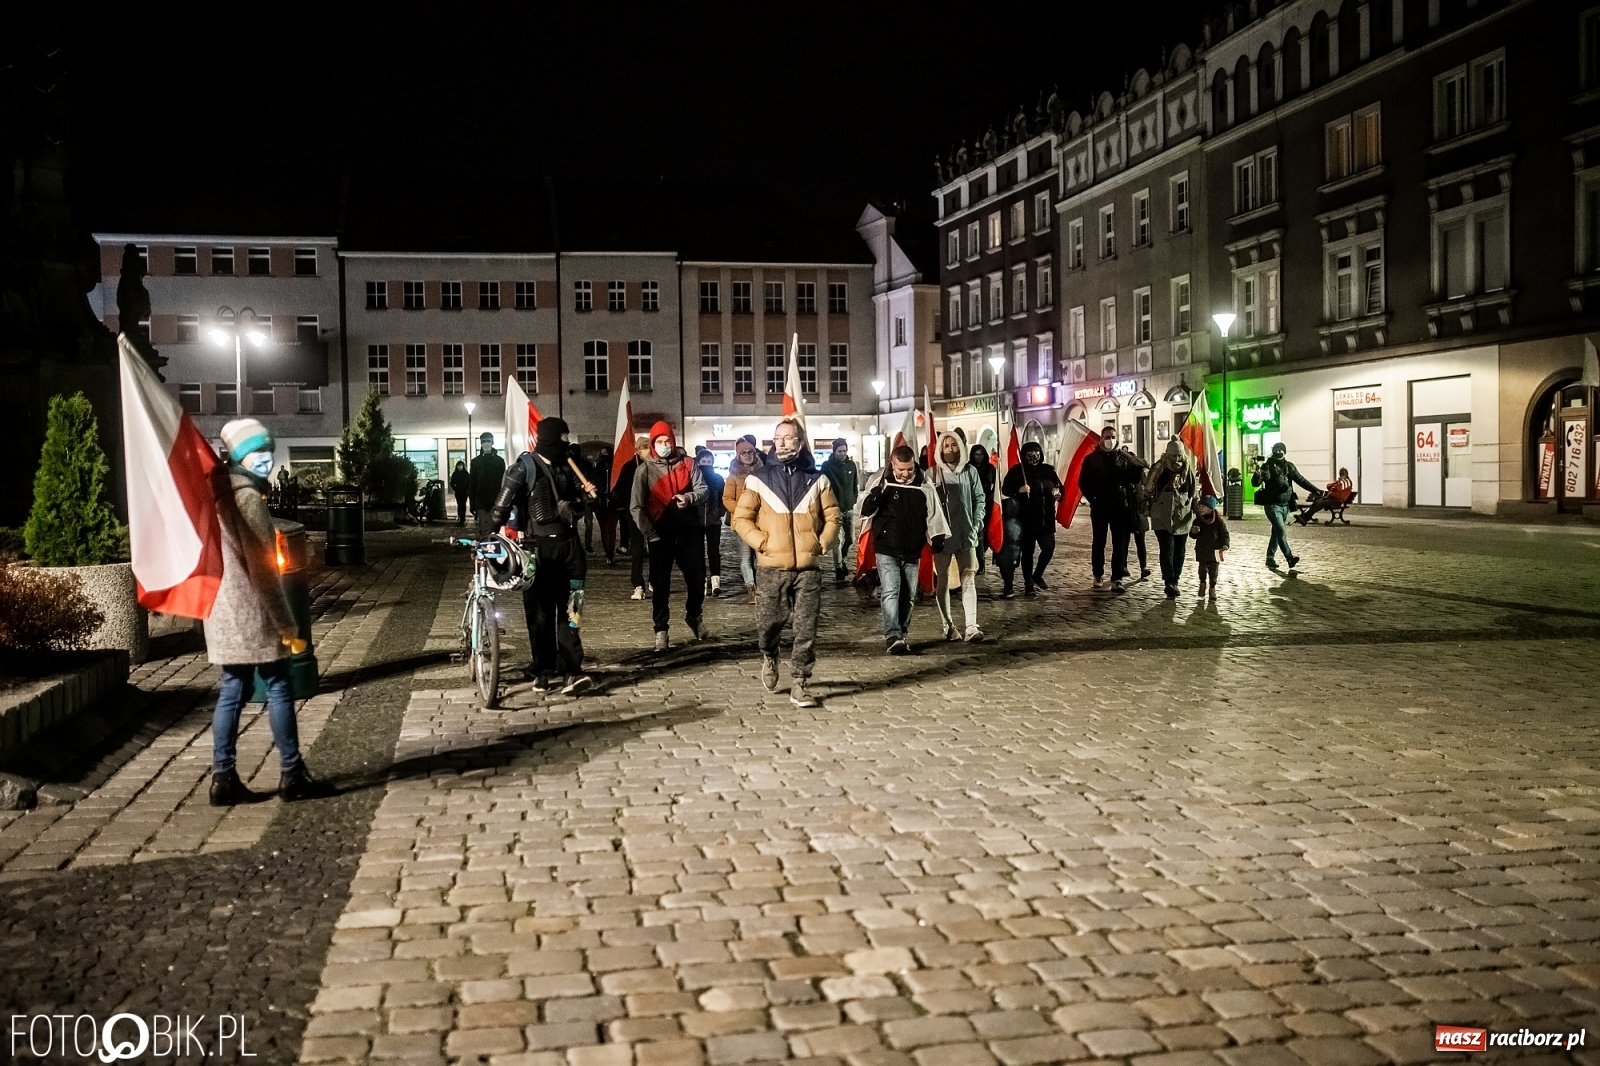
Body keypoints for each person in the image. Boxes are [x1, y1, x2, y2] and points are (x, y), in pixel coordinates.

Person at [207, 419, 329, 805]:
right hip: (253, 612)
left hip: (222, 611)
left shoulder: (215, 494)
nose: (266, 461)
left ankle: (222, 779)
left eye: (269, 453)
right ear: (240, 457)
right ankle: (292, 774)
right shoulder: (247, 500)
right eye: (258, 453)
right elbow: (263, 570)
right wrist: (287, 624)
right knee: (278, 686)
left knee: (231, 690)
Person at [731, 417, 841, 708]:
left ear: (800, 441)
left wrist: (823, 541)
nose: (781, 442)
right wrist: (761, 542)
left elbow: (833, 516)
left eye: (787, 437)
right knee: (768, 624)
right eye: (777, 437)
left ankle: (801, 682)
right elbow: (740, 518)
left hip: (808, 568)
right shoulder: (759, 478)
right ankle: (769, 655)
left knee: (806, 627)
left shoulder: (818, 480)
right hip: (771, 567)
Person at [488, 417, 595, 695]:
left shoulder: (569, 466)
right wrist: (489, 536)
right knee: (540, 615)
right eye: (562, 437)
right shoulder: (525, 466)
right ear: (548, 437)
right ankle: (543, 670)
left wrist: (586, 498)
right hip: (538, 551)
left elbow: (581, 502)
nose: (566, 442)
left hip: (571, 551)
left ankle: (573, 670)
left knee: (572, 614)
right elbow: (501, 505)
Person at [860, 445, 949, 654]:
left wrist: (937, 537)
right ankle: (892, 634)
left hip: (912, 548)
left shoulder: (923, 484)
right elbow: (864, 511)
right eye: (901, 470)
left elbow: (933, 512)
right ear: (893, 464)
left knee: (908, 594)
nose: (906, 473)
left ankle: (902, 631)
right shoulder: (881, 482)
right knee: (891, 590)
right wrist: (873, 499)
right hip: (886, 546)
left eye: (909, 469)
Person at [631, 421, 708, 651]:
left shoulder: (688, 464)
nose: (664, 445)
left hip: (688, 533)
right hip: (660, 537)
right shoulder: (643, 470)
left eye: (667, 441)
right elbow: (636, 506)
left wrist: (689, 498)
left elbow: (703, 490)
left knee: (697, 579)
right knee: (660, 585)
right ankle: (661, 630)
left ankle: (694, 615)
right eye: (659, 442)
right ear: (653, 444)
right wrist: (650, 534)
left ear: (673, 442)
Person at [931, 433, 985, 642]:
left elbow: (979, 498)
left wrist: (977, 521)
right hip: (942, 537)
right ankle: (949, 626)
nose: (951, 449)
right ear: (940, 449)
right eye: (946, 445)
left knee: (969, 578)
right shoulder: (932, 474)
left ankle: (971, 626)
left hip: (967, 534)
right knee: (943, 581)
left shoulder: (970, 471)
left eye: (954, 445)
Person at [1078, 426, 1143, 591]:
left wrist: (1137, 467)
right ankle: (1098, 574)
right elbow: (1083, 482)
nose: (1110, 439)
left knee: (1119, 544)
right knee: (1099, 542)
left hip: (1120, 507)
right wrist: (1093, 498)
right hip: (1100, 507)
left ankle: (1117, 578)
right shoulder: (1091, 459)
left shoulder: (1123, 458)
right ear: (1101, 439)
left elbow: (1133, 480)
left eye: (1113, 436)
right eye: (1107, 436)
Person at [1000, 440, 1063, 596]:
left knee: (1048, 548)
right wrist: (1019, 489)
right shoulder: (1017, 471)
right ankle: (1029, 583)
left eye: (1036, 452)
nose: (1034, 456)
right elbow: (1006, 489)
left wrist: (1059, 494)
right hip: (1026, 518)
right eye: (1030, 453)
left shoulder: (1048, 470)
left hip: (1046, 518)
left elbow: (1059, 486)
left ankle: (1038, 574)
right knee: (1028, 552)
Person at [1251, 442, 1319, 570]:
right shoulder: (1268, 466)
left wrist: (1316, 490)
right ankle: (1289, 558)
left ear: (1284, 452)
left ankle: (1270, 558)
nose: (1277, 452)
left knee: (1276, 532)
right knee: (1281, 531)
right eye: (1275, 450)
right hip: (1272, 505)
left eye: (1280, 450)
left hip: (1285, 505)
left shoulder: (1289, 466)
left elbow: (1301, 480)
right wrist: (1257, 475)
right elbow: (1256, 483)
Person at [1146, 439, 1199, 598]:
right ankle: (1169, 581)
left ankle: (1175, 578)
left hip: (1182, 513)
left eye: (1178, 455)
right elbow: (1148, 488)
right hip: (1162, 514)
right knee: (1167, 548)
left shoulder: (1187, 467)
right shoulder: (1159, 467)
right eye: (1173, 455)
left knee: (1180, 550)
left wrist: (1196, 512)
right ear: (1167, 453)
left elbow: (1193, 491)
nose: (1176, 459)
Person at [723, 435, 765, 602]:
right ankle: (751, 586)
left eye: (750, 452)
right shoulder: (733, 476)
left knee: (761, 554)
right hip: (742, 522)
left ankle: (762, 585)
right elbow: (727, 498)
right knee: (746, 556)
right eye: (744, 453)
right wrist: (741, 512)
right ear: (738, 456)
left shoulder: (763, 473)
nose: (748, 455)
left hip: (760, 521)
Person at [819, 438, 859, 584]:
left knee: (850, 539)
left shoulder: (851, 465)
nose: (842, 454)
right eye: (840, 451)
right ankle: (839, 568)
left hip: (848, 508)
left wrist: (853, 498)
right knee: (838, 540)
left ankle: (842, 559)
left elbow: (855, 484)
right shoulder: (827, 466)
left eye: (844, 451)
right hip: (833, 508)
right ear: (834, 451)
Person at [613, 437, 649, 599]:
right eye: (643, 447)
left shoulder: (655, 465)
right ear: (637, 449)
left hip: (654, 514)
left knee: (657, 550)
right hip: (635, 515)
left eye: (648, 446)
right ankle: (638, 584)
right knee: (637, 550)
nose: (646, 449)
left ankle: (655, 579)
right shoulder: (629, 467)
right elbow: (619, 489)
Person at [694, 446, 726, 596]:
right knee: (698, 552)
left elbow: (722, 498)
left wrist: (720, 511)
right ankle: (701, 581)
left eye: (709, 460)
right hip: (697, 521)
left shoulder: (718, 478)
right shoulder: (694, 477)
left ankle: (715, 582)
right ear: (698, 462)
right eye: (703, 460)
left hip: (713, 521)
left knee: (714, 552)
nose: (706, 463)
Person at [1190, 494, 1230, 601]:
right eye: (1199, 506)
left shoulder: (1218, 522)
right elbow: (1193, 535)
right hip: (1202, 549)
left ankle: (1212, 588)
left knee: (1214, 571)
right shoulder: (1198, 521)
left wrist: (1225, 544)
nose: (1200, 508)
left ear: (1210, 508)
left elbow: (1224, 534)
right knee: (1202, 569)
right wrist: (1194, 532)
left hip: (1215, 550)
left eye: (1203, 506)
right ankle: (1202, 584)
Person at [468, 432, 506, 538]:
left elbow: (503, 481)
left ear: (492, 442)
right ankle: (485, 547)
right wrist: (472, 502)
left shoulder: (499, 461)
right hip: (481, 500)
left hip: (496, 500)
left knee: (495, 527)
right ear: (481, 443)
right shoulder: (476, 462)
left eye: (488, 441)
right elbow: (472, 482)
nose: (486, 443)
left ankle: (493, 547)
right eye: (484, 441)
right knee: (484, 526)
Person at [969, 444, 996, 574]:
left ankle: (981, 561)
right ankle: (978, 562)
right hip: (971, 504)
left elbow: (994, 485)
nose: (978, 457)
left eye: (980, 454)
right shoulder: (968, 468)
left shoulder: (990, 469)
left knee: (983, 535)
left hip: (987, 503)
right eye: (976, 454)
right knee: (977, 534)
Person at [594, 444, 619, 562]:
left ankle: (611, 553)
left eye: (606, 453)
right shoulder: (597, 468)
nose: (604, 456)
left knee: (612, 529)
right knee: (604, 529)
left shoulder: (616, 467)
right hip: (601, 502)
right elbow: (595, 483)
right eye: (602, 453)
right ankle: (608, 553)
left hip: (613, 502)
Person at [449, 460, 470, 526]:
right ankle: (460, 516)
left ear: (463, 466)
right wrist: (455, 488)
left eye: (461, 465)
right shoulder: (455, 474)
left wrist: (467, 489)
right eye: (458, 465)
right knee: (459, 504)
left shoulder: (466, 474)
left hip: (464, 492)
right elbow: (451, 482)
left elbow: (469, 482)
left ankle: (463, 518)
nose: (460, 467)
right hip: (458, 491)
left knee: (463, 504)